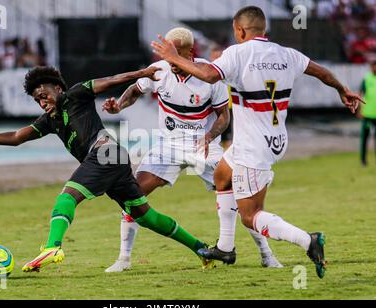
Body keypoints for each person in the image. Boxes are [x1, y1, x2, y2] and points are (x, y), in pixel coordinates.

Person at [151, 6, 364, 278]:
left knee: (250, 215)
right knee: (222, 175)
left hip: (254, 146)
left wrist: (172, 57)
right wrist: (341, 89)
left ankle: (308, 241)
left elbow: (208, 75)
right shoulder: (287, 54)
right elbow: (321, 71)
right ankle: (225, 247)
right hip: (271, 137)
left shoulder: (237, 53)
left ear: (239, 30)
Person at [0, 66, 215, 272]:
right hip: (114, 159)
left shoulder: (75, 95)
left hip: (106, 154)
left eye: (44, 95)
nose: (42, 102)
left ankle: (53, 247)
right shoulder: (49, 120)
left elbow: (110, 80)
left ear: (57, 88)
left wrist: (141, 73)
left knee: (66, 197)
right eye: (37, 100)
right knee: (144, 215)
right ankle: (201, 249)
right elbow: (18, 136)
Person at [102, 28, 282, 273]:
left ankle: (266, 254)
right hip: (168, 146)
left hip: (203, 147)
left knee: (242, 198)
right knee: (132, 196)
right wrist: (119, 104)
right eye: (168, 54)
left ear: (191, 51)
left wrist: (209, 136)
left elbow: (224, 117)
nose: (172, 61)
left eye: (177, 54)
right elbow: (135, 89)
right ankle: (124, 259)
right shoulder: (160, 71)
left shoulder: (209, 75)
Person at [359, 59, 376, 166]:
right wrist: (359, 110)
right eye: (374, 66)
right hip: (368, 114)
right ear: (371, 67)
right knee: (365, 138)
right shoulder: (366, 79)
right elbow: (360, 94)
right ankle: (363, 160)